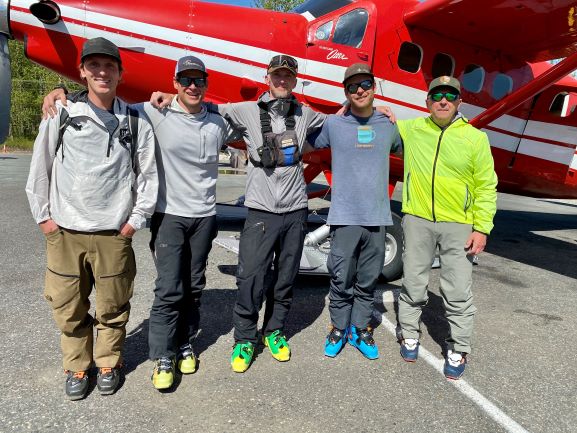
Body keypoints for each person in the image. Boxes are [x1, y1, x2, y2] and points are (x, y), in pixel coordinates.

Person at [43, 55, 234, 391]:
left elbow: (251, 110)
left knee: (195, 286)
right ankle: (163, 354)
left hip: (205, 216)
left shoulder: (218, 122)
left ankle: (185, 341)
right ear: (175, 83)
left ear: (206, 85)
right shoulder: (152, 112)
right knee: (169, 288)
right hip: (169, 215)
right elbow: (104, 100)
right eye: (186, 80)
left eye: (199, 80)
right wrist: (63, 92)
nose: (193, 86)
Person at [26, 37, 158, 400]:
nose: (103, 72)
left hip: (113, 235)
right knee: (69, 309)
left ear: (120, 73)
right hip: (65, 233)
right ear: (82, 71)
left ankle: (107, 363)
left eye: (110, 66)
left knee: (113, 307)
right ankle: (77, 367)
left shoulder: (135, 121)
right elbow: (40, 169)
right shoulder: (62, 114)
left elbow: (148, 178)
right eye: (95, 66)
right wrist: (46, 223)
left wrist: (133, 223)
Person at [396, 76, 497, 379]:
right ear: (427, 101)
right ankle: (409, 333)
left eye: (450, 96)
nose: (443, 100)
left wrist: (482, 228)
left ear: (458, 103)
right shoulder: (412, 128)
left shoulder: (475, 138)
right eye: (437, 95)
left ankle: (459, 346)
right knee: (413, 280)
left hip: (459, 224)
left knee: (456, 289)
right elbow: (374, 121)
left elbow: (486, 186)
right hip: (417, 219)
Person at [310, 63, 402, 360]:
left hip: (377, 219)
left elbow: (406, 148)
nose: (359, 90)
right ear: (345, 92)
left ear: (374, 87)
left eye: (365, 85)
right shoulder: (334, 126)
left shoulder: (388, 125)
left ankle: (360, 329)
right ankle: (338, 328)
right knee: (340, 278)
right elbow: (306, 137)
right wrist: (336, 112)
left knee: (368, 279)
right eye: (352, 87)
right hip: (344, 218)